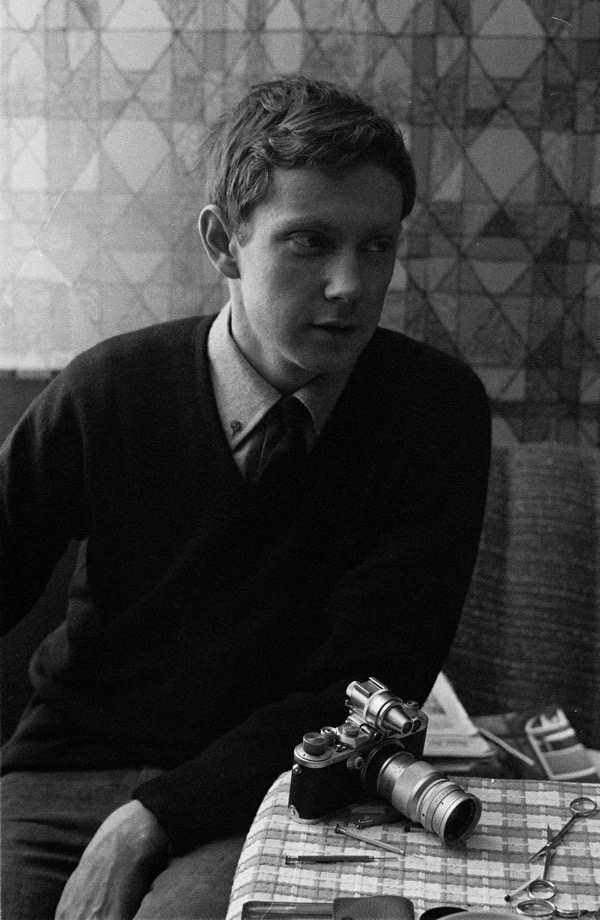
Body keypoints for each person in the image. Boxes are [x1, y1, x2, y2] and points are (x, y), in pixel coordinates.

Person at [0, 76, 491, 920]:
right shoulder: (108, 389)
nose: (350, 283)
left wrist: (151, 819)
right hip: (65, 771)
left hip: (272, 786)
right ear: (224, 242)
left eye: (377, 245)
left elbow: (369, 685)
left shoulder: (433, 413)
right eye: (310, 242)